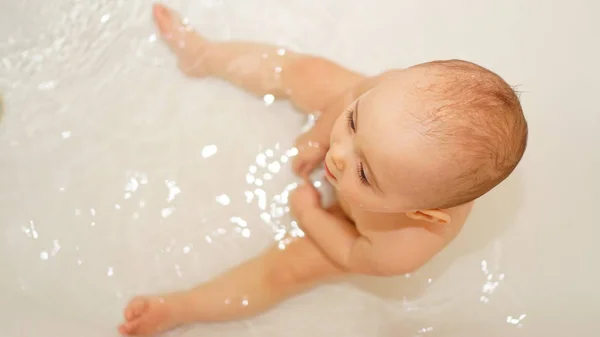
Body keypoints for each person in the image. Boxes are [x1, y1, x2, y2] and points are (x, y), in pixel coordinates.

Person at [118, 4, 528, 335]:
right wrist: (320, 133)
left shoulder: (404, 245)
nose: (339, 155)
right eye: (353, 124)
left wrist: (310, 215)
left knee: (286, 270)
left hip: (350, 231)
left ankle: (181, 308)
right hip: (373, 144)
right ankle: (202, 54)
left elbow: (353, 253)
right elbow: (351, 94)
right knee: (307, 71)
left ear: (421, 213)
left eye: (365, 174)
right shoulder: (385, 97)